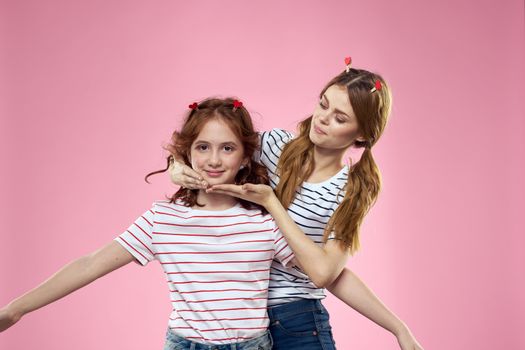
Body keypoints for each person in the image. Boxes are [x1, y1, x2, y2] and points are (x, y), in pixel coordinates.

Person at [0, 98, 298, 350]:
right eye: (203, 147)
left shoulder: (265, 219)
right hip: (185, 344)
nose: (214, 160)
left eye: (228, 148)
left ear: (246, 157)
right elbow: (90, 265)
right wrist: (16, 310)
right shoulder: (163, 219)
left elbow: (319, 270)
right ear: (187, 153)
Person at [169, 67, 424, 350]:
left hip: (297, 320)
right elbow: (210, 147)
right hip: (240, 320)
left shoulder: (351, 190)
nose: (323, 119)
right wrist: (176, 168)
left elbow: (326, 273)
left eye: (340, 118)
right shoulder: (272, 146)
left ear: (362, 134)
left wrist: (398, 328)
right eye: (323, 104)